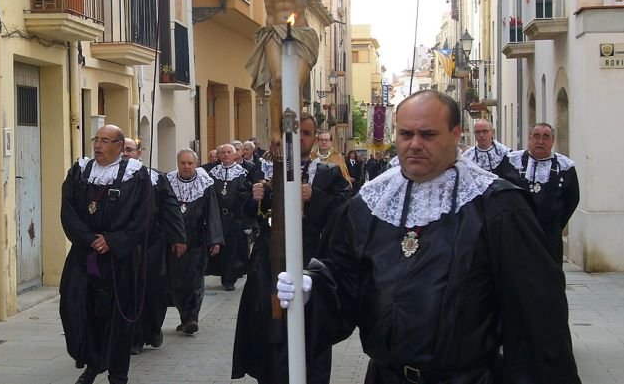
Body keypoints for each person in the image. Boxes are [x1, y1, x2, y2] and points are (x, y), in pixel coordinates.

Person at [277, 90, 581, 384]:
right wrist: (313, 287)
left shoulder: (499, 206)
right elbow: (344, 280)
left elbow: (538, 317)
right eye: (406, 134)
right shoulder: (369, 204)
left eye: (428, 134)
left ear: (455, 134)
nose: (415, 144)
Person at [180, 0, 394, 155]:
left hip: (301, 33)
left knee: (295, 84)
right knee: (279, 80)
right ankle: (275, 131)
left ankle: (294, 129)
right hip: (273, 31)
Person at [233, 114, 351, 384]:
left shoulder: (327, 172)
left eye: (308, 133)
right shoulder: (264, 170)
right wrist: (253, 198)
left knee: (308, 331)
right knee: (267, 330)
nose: (301, 139)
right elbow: (243, 210)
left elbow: (344, 212)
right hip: (267, 262)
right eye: (296, 133)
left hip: (309, 262)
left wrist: (316, 197)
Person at [59, 125, 151, 384]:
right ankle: (93, 362)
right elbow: (68, 211)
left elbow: (142, 216)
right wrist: (89, 240)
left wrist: (113, 241)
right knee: (75, 307)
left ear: (120, 146)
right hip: (83, 255)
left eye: (105, 141)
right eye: (96, 139)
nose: (98, 145)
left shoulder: (137, 176)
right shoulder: (79, 172)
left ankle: (118, 373)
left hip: (118, 259)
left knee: (117, 317)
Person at [121, 138, 186, 355]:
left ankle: (154, 328)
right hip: (123, 245)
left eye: (129, 150)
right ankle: (133, 337)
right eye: (121, 150)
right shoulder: (109, 177)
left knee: (153, 290)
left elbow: (170, 207)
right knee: (129, 290)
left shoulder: (155, 177)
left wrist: (178, 237)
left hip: (152, 243)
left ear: (139, 153)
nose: (125, 154)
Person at [496, 123, 580, 262]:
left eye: (546, 137)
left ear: (552, 141)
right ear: (529, 139)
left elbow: (572, 200)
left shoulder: (565, 167)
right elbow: (499, 191)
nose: (540, 141)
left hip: (549, 235)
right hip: (517, 232)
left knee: (548, 275)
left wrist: (556, 224)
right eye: (536, 136)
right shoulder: (511, 161)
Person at [165, 149, 224, 335]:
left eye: (190, 163)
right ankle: (185, 316)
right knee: (177, 282)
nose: (187, 167)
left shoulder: (205, 184)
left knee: (195, 281)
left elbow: (212, 213)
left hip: (197, 239)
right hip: (174, 240)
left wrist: (215, 240)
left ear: (196, 163)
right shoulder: (168, 182)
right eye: (183, 163)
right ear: (177, 163)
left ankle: (192, 318)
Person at [205, 144, 250, 291]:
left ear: (235, 154)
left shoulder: (242, 173)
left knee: (232, 248)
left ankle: (229, 279)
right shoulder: (213, 172)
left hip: (234, 217)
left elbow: (245, 195)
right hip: (217, 216)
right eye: (223, 152)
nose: (225, 155)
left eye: (228, 152)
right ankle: (218, 272)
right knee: (217, 246)